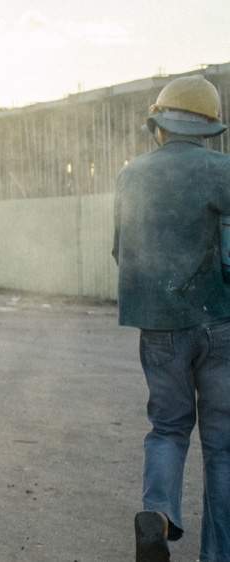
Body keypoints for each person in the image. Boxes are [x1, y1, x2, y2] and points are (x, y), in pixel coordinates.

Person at [112, 75, 230, 562]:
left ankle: (157, 516)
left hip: (159, 328)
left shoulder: (131, 175)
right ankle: (218, 555)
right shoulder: (222, 169)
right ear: (209, 128)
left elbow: (122, 252)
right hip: (218, 322)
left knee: (167, 428)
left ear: (158, 124)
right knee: (222, 444)